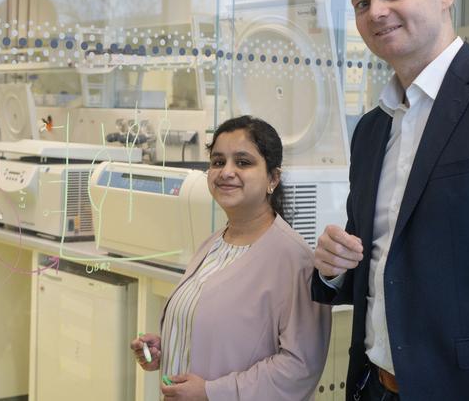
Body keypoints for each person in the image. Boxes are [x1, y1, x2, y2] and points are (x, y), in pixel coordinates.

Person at [312, 0, 469, 400]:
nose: (375, 11)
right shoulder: (372, 129)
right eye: (361, 2)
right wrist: (334, 269)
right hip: (376, 387)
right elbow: (381, 263)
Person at [130, 116, 331, 400]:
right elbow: (229, 336)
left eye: (243, 162)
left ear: (273, 178)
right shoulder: (214, 243)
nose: (226, 172)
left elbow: (300, 368)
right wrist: (171, 346)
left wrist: (212, 392)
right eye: (217, 161)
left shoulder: (293, 259)